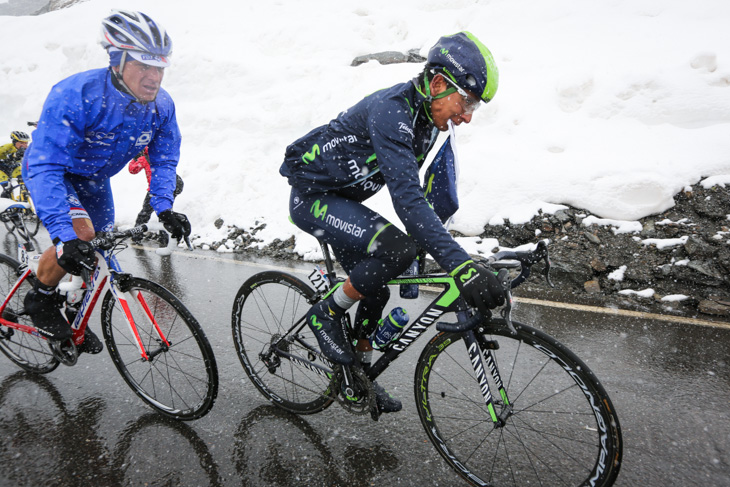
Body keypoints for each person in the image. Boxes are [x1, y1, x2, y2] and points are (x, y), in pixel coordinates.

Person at [280, 31, 506, 413]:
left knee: (377, 289)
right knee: (396, 249)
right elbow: (407, 201)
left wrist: (457, 256)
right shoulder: (393, 111)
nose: (466, 117)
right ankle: (326, 314)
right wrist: (461, 267)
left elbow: (423, 198)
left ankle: (358, 381)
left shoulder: (425, 121)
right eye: (466, 102)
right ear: (437, 83)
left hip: (342, 201)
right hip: (313, 199)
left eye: (474, 108)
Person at [21, 10, 191, 352]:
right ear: (117, 62)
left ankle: (72, 316)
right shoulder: (75, 94)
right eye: (143, 66)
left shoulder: (161, 106)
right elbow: (47, 166)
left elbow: (163, 158)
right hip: (52, 172)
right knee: (78, 238)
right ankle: (39, 300)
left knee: (99, 246)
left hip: (94, 180)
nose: (153, 77)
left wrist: (164, 206)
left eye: (159, 67)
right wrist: (65, 235)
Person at [128, 146, 185, 243]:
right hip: (172, 184)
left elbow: (132, 170)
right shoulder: (159, 153)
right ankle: (165, 239)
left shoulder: (143, 158)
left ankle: (136, 236)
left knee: (144, 213)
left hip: (157, 188)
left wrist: (135, 159)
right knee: (164, 212)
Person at [0, 131, 30, 196]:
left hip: (15, 167)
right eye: (21, 143)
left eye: (26, 143)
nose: (24, 145)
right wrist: (12, 156)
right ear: (14, 142)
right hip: (1, 169)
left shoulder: (28, 150)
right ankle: (6, 199)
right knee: (6, 186)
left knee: (23, 180)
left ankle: (24, 196)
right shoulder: (7, 147)